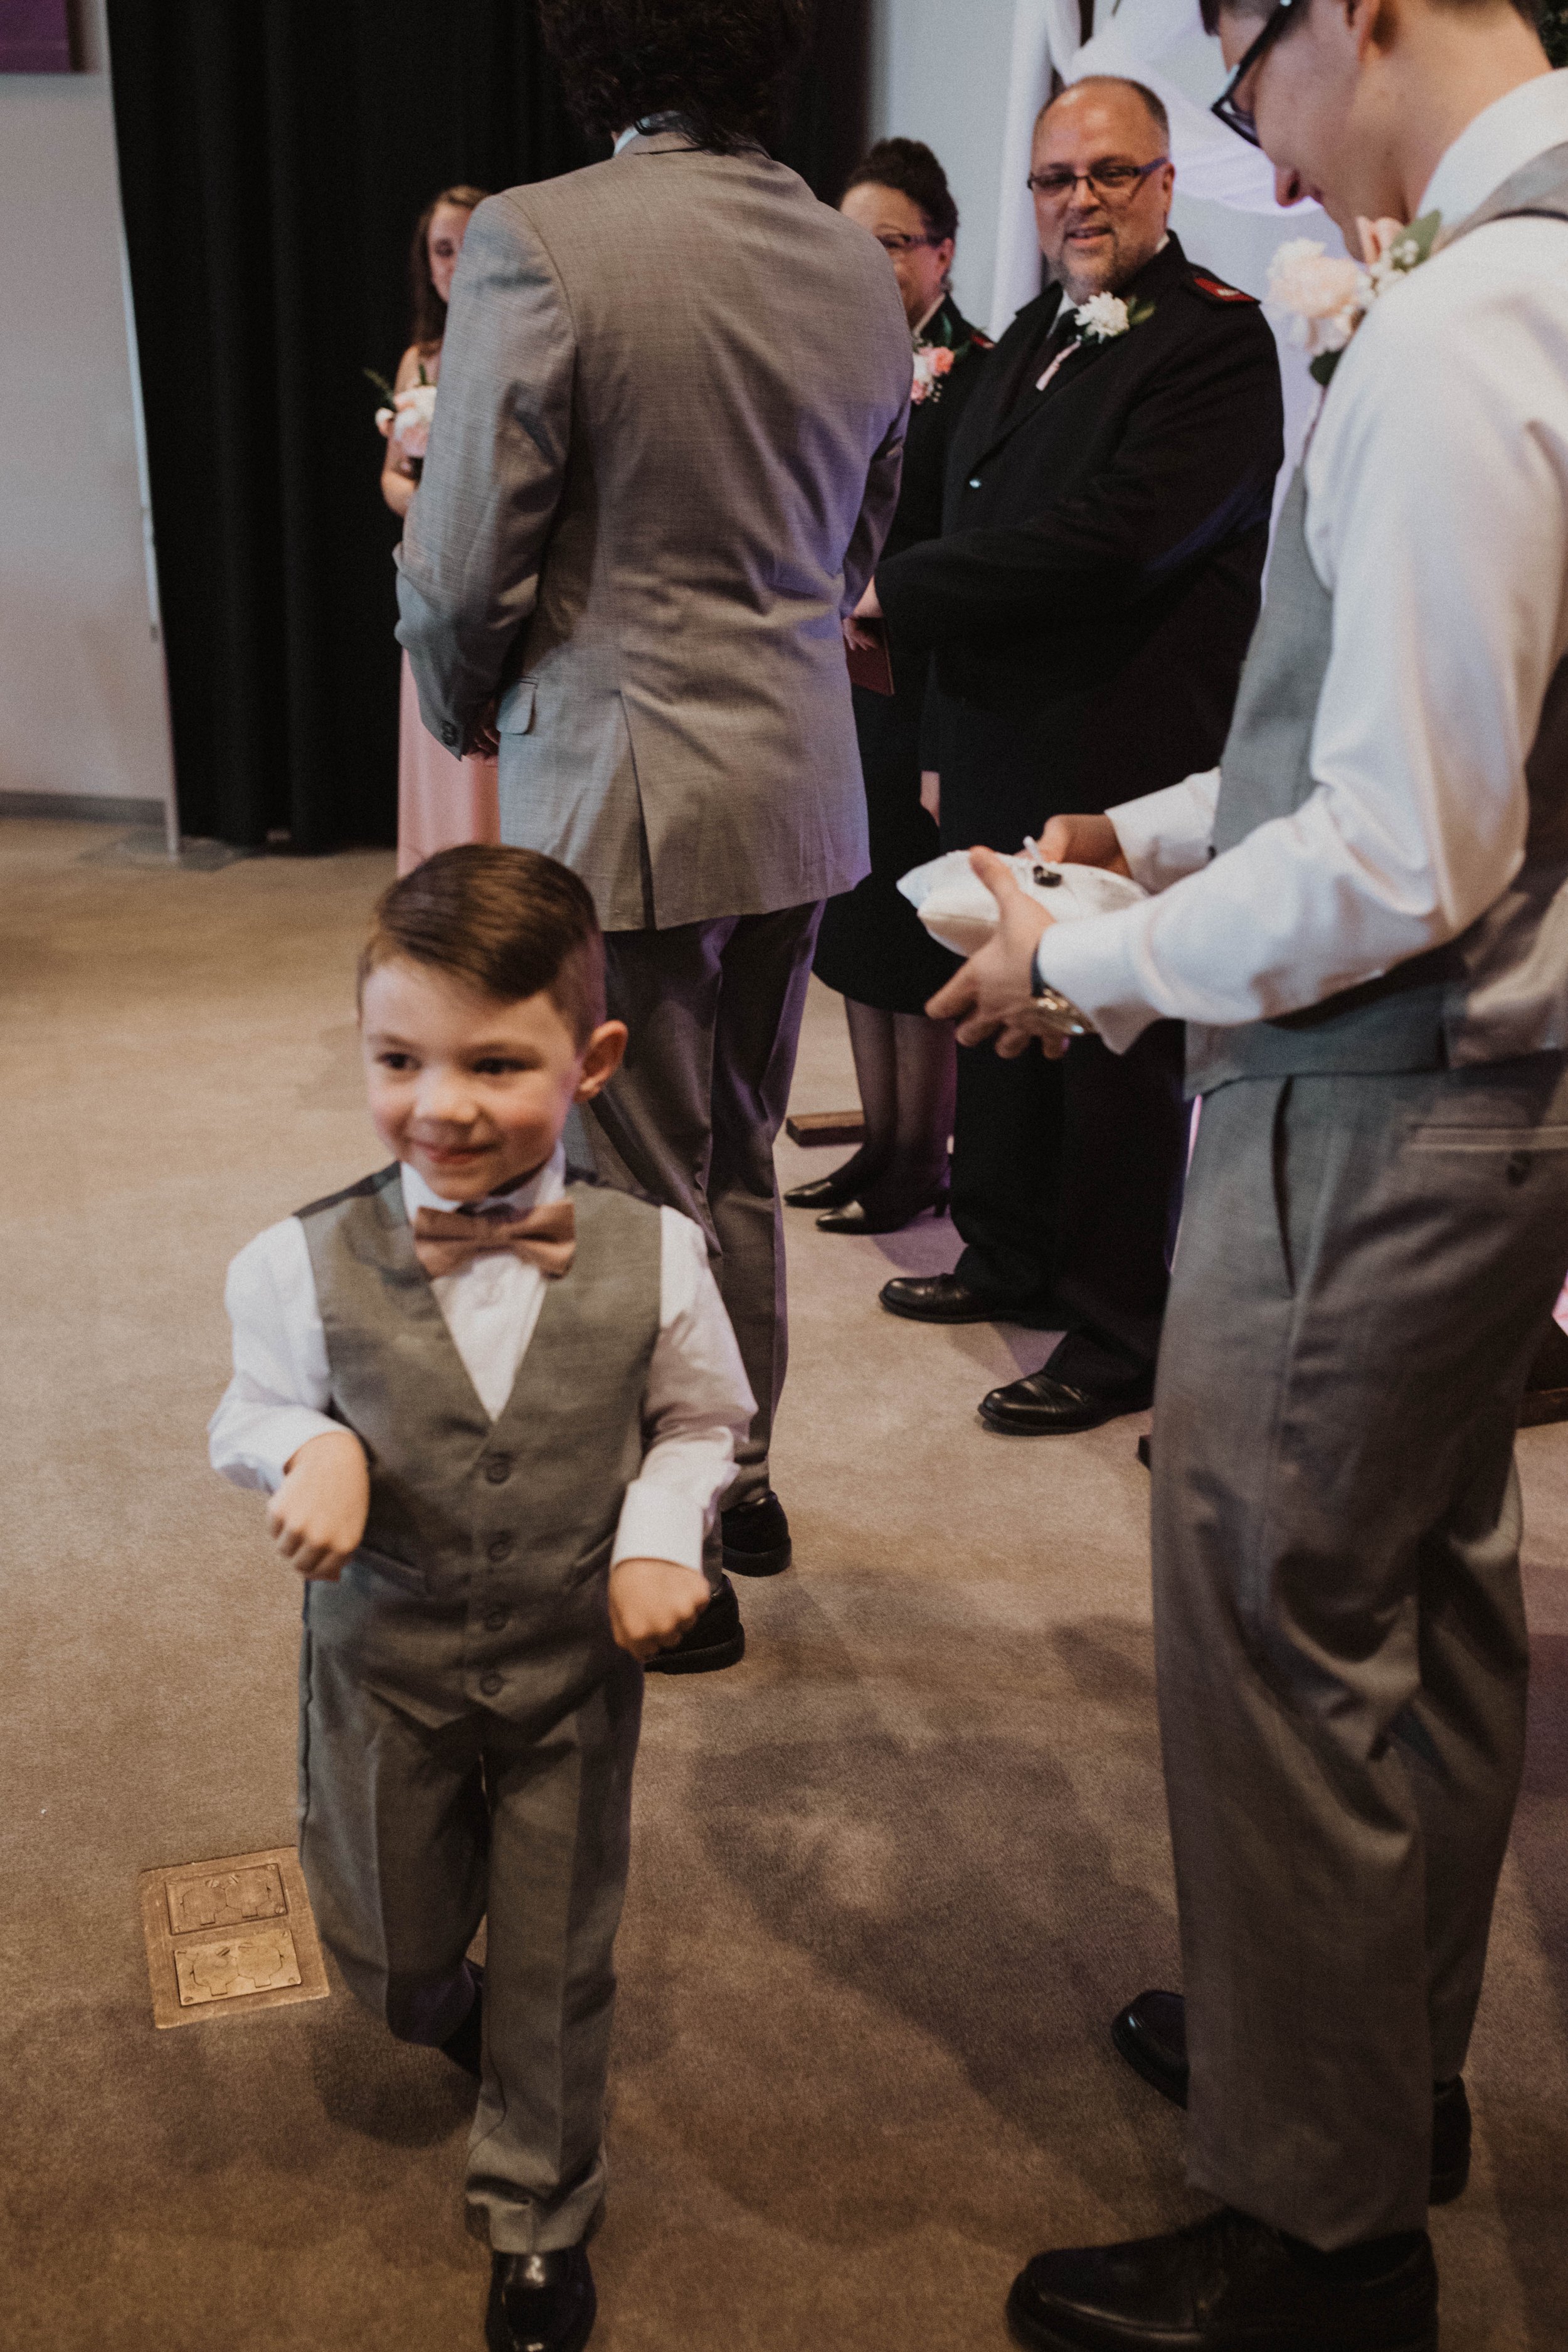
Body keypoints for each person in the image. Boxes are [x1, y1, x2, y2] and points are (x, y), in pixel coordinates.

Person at [928, 4, 1568, 2344]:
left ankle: (1318, 2232)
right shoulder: (1532, 283)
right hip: (1508, 1080)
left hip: (1389, 1084)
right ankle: (1369, 2070)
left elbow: (1402, 840)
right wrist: (1140, 828)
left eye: (1239, 78)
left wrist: (1098, 957)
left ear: (1359, 13)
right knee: (1427, 1583)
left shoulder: (1473, 318)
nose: (1257, 162)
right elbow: (1404, 727)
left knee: (1279, 1618)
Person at [395, 0, 911, 1637]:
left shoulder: (544, 240)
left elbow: (470, 543)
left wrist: (458, 689)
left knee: (629, 1179)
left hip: (623, 778)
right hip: (797, 784)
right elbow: (858, 537)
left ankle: (670, 1544)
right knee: (738, 1147)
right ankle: (741, 1480)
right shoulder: (851, 263)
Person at [209, 845, 754, 2352]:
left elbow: (706, 1423)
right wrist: (306, 1442)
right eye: (400, 1058)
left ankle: (539, 2209)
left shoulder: (660, 1258)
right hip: (379, 1665)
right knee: (387, 1953)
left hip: (573, 1668)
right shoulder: (294, 1260)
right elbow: (240, 1410)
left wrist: (660, 1531)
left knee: (561, 1952)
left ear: (592, 1062)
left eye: (495, 1062)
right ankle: (439, 2005)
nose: (441, 1101)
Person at [869, 78, 1283, 1436]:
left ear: (1164, 184)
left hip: (1125, 753)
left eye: (1110, 174)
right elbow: (942, 505)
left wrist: (906, 595)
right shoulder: (1021, 338)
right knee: (1000, 1010)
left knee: (1111, 1041)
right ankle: (1003, 1249)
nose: (1079, 201)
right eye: (1056, 179)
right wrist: (935, 736)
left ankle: (1113, 1331)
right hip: (994, 734)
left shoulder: (1214, 345)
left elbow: (1116, 538)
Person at [792, 140, 991, 1237]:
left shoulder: (982, 367)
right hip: (839, 683)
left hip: (924, 684)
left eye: (889, 244)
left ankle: (923, 1154)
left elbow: (970, 543)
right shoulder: (829, 360)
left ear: (940, 253)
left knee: (918, 926)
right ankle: (879, 1144)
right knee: (858, 922)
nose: (867, 266)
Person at [378, 186, 500, 877]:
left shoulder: (531, 347)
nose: (456, 263)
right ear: (428, 266)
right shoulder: (419, 362)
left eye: (472, 245)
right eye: (442, 250)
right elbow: (393, 477)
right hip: (431, 573)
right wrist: (430, 506)